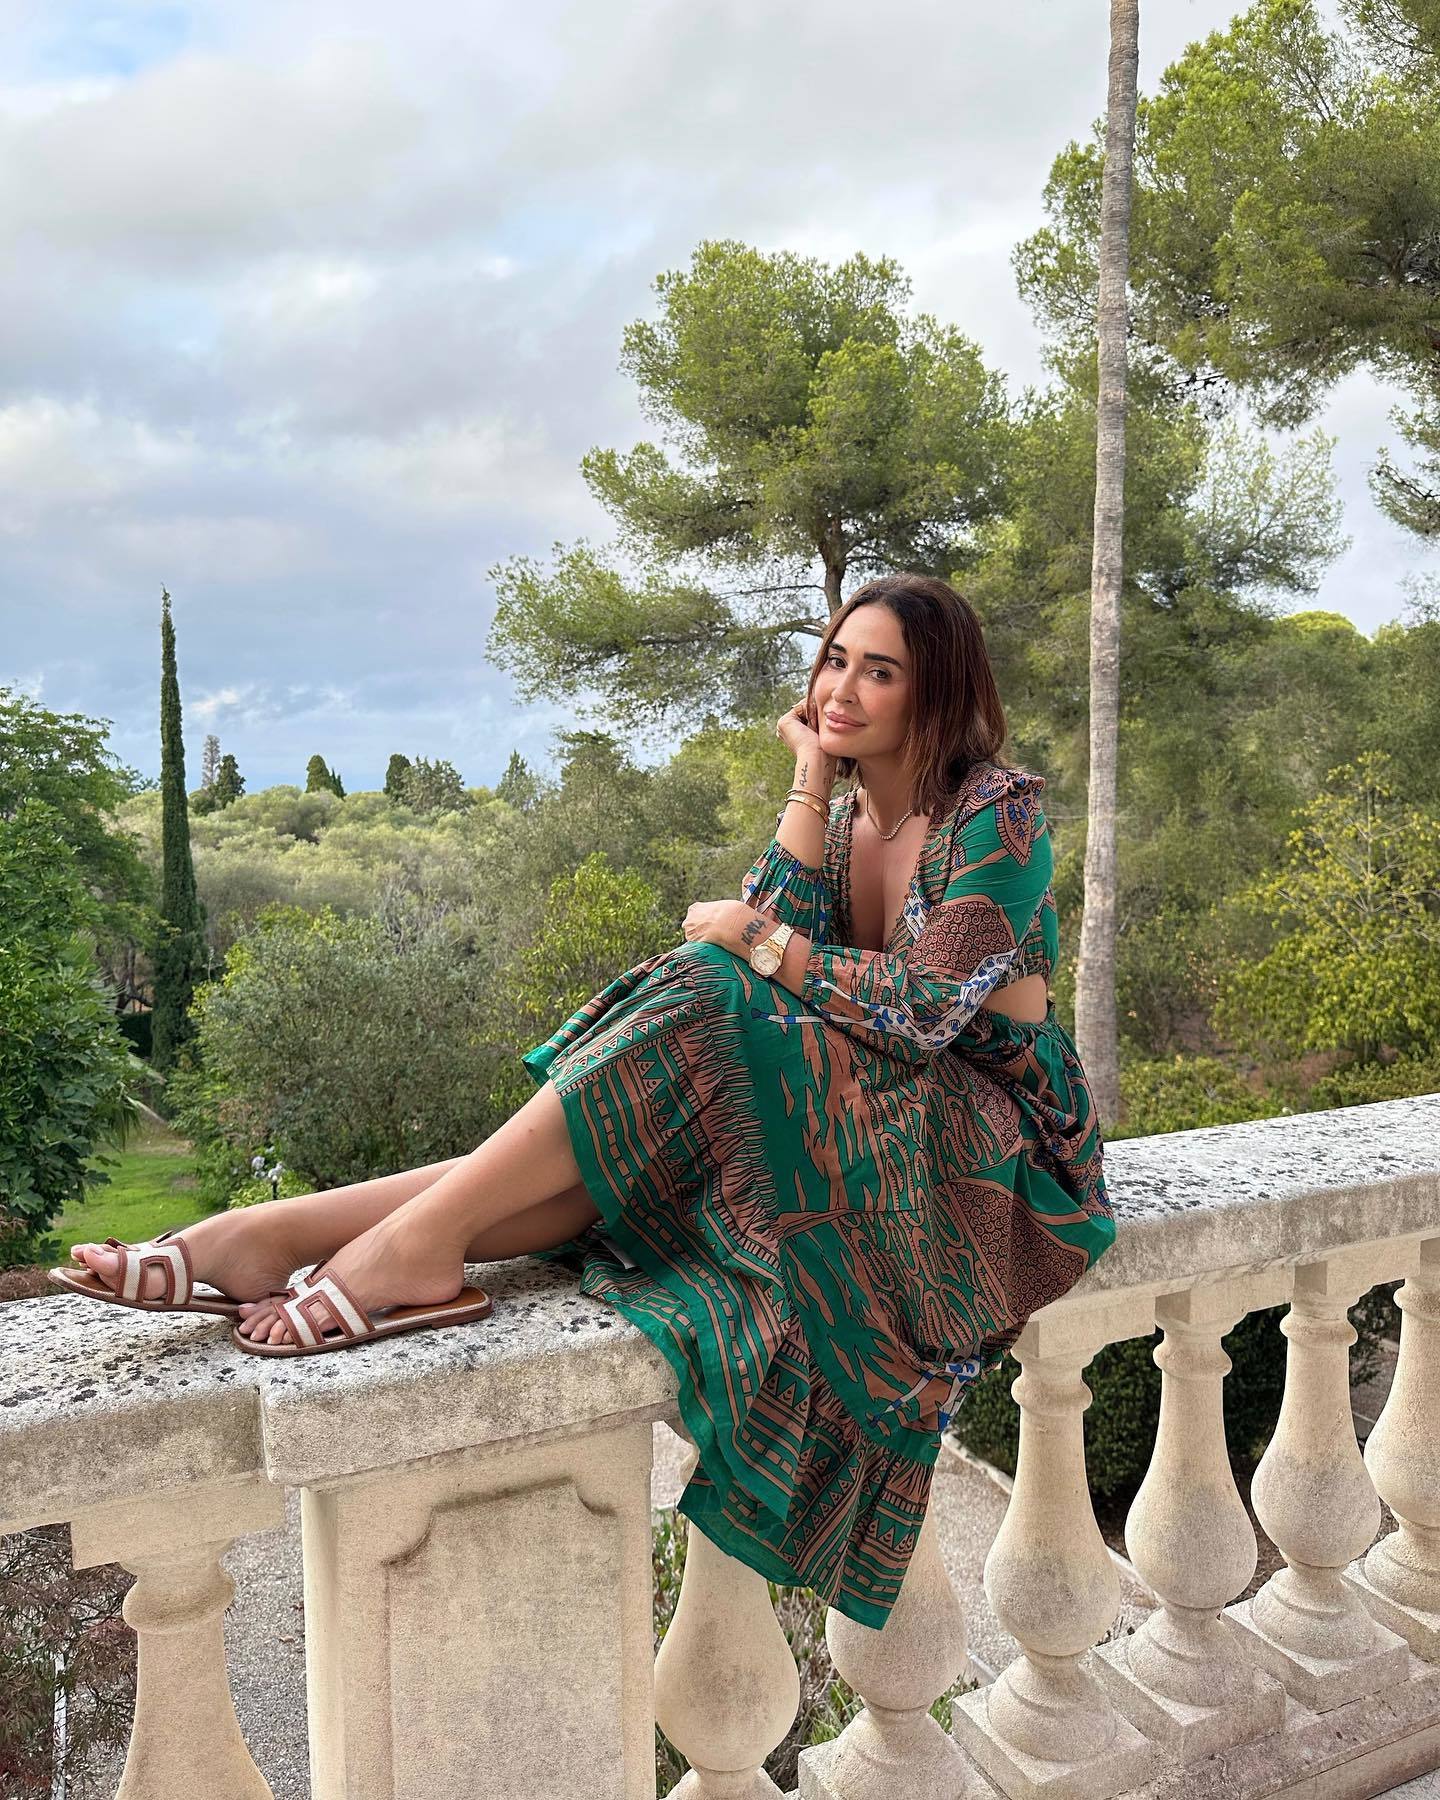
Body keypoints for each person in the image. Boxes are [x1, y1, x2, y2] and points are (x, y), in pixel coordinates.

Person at [57, 571, 1115, 1628]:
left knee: (702, 985)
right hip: (873, 1104)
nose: (840, 689)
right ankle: (280, 1235)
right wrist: (805, 779)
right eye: (835, 659)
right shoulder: (844, 818)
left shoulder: (999, 815)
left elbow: (919, 1010)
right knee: (635, 1120)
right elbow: (773, 934)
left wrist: (753, 936)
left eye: (879, 672)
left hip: (992, 1148)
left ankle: (377, 1246)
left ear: (937, 691)